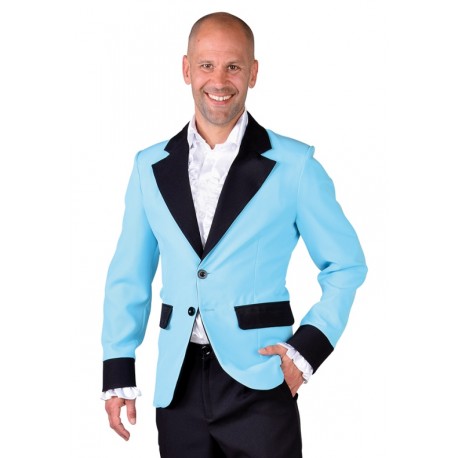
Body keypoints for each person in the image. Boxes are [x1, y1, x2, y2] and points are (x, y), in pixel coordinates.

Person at [101, 11, 367, 458]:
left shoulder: (295, 165)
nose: (219, 80)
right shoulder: (149, 167)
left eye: (233, 66)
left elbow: (346, 265)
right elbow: (129, 274)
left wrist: (306, 351)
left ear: (253, 72)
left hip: (260, 379)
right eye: (207, 65)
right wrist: (118, 367)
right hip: (177, 385)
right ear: (186, 69)